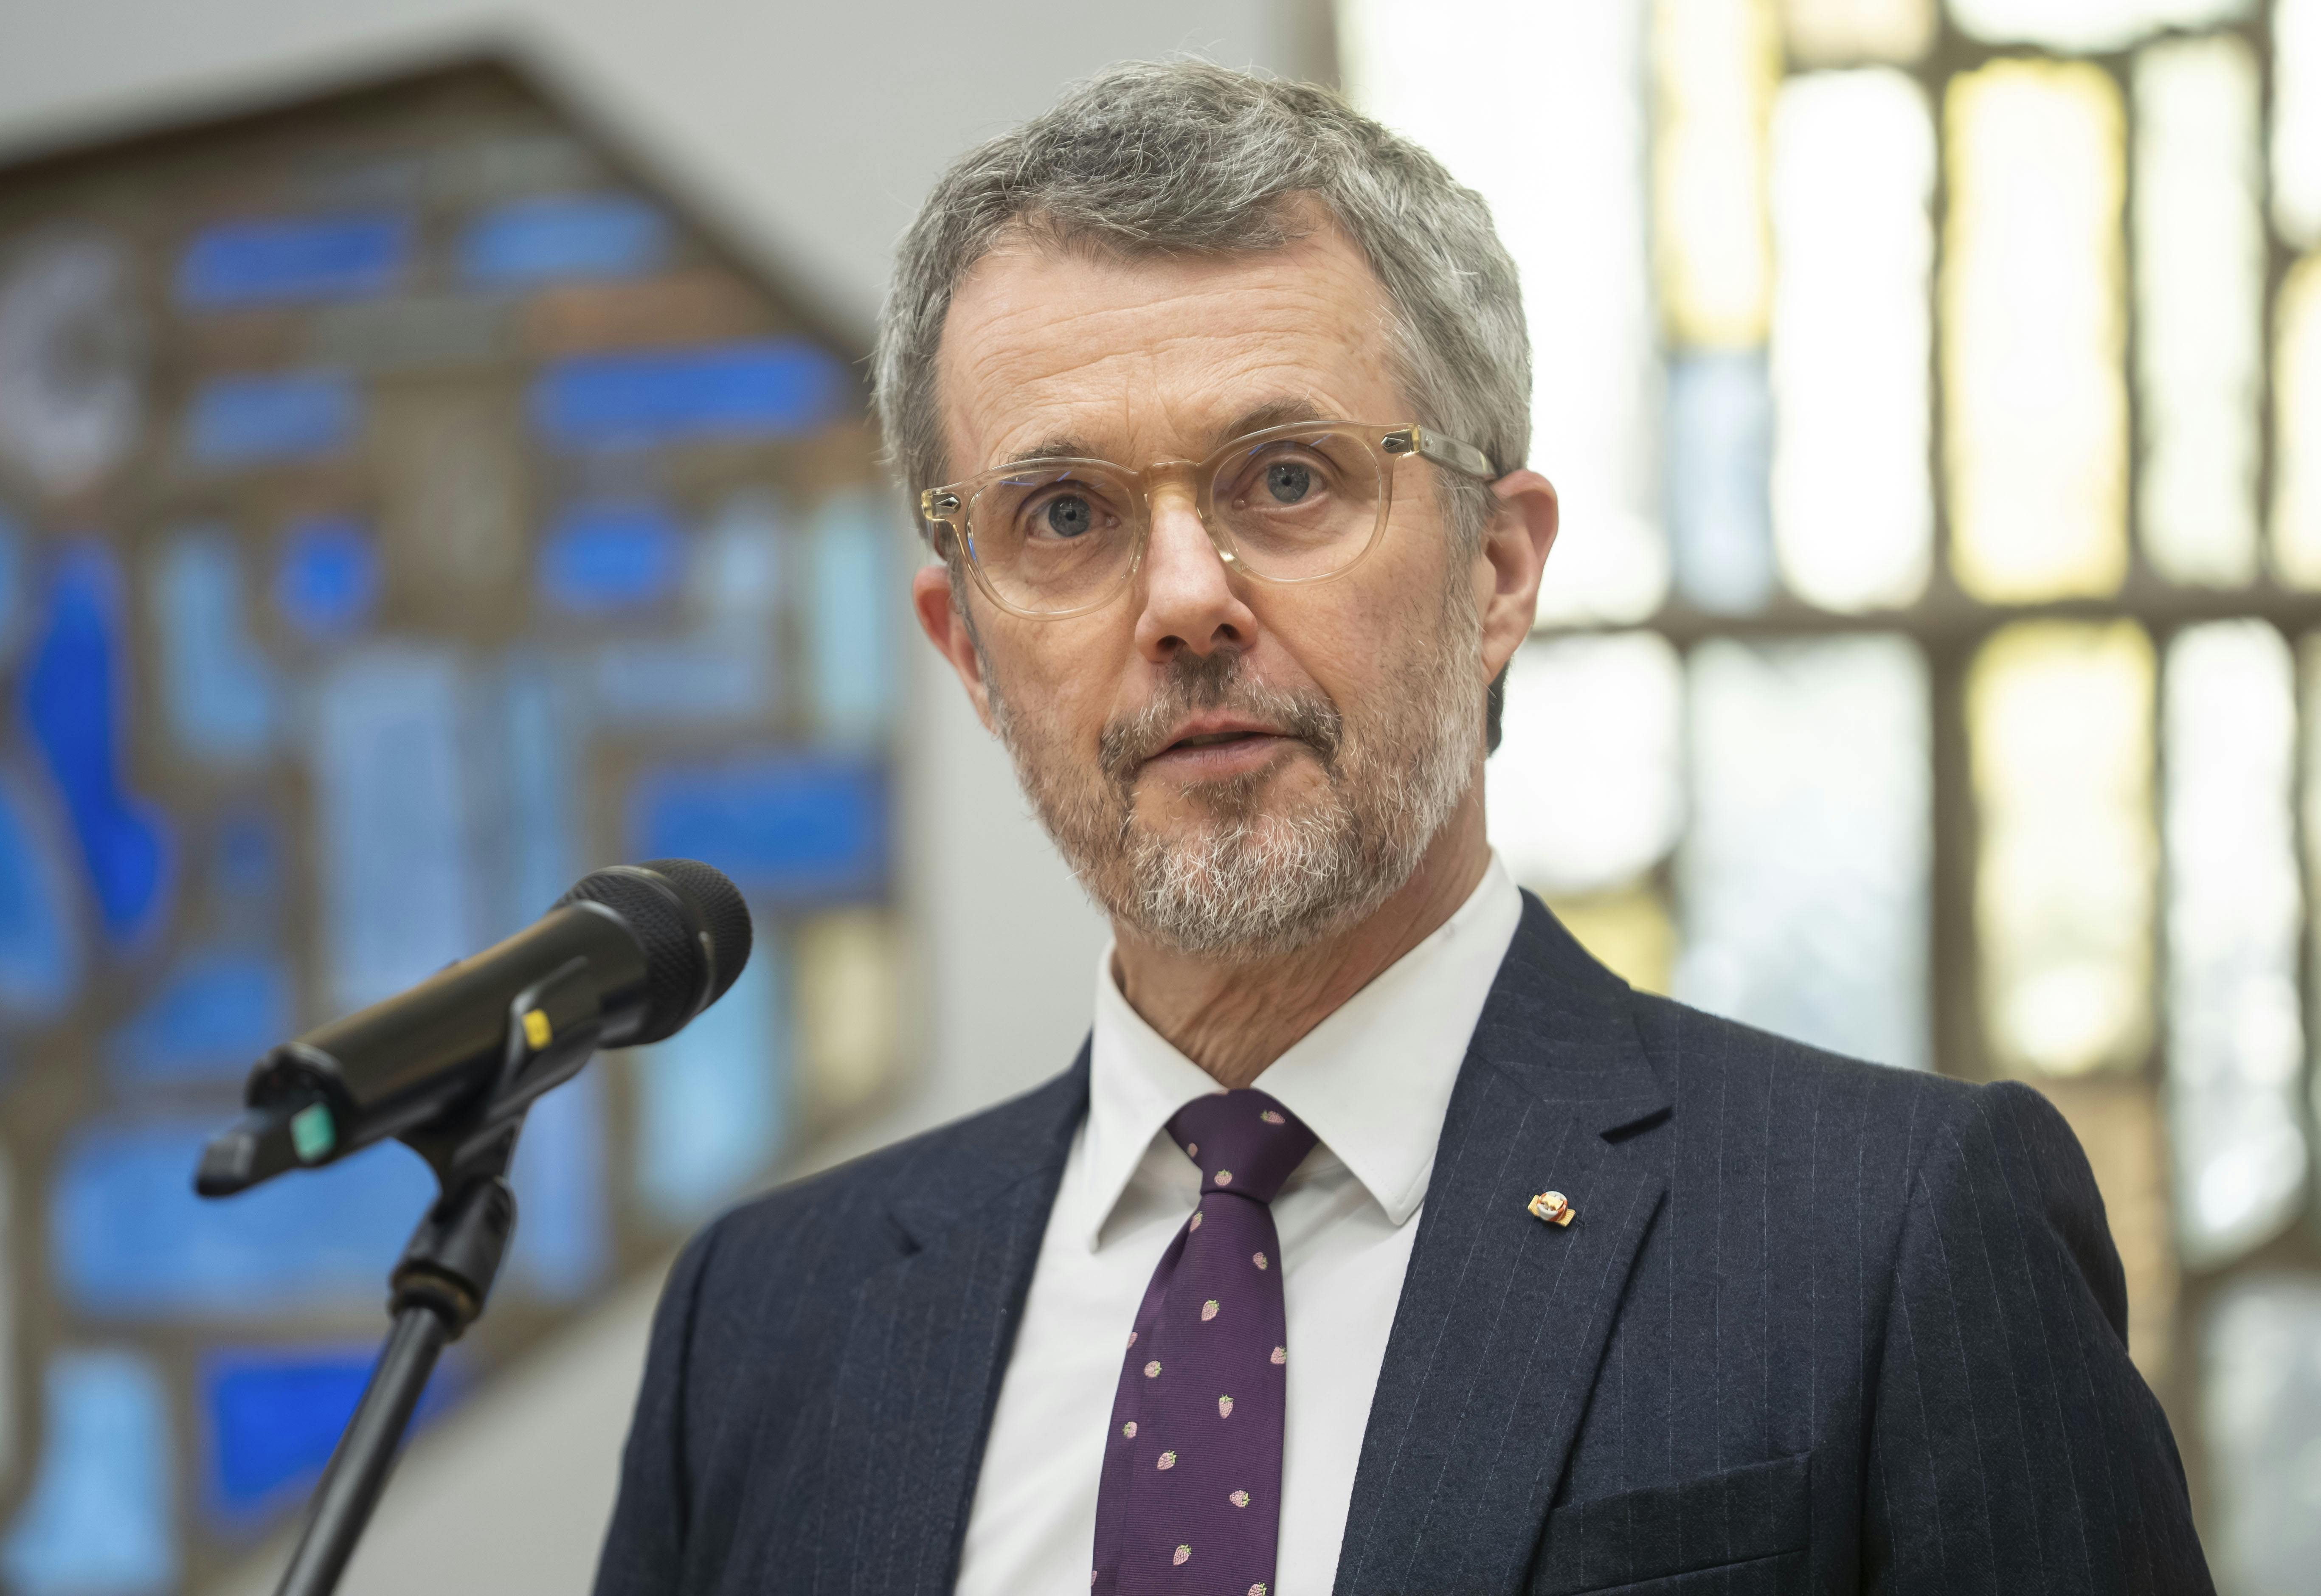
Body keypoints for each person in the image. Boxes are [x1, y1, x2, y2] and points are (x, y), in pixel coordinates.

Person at [593, 61, 2211, 1596]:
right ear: (966, 650)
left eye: (1286, 478)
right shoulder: (772, 1323)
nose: (1182, 605)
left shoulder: (1887, 1237)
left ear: (1497, 573)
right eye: (1065, 515)